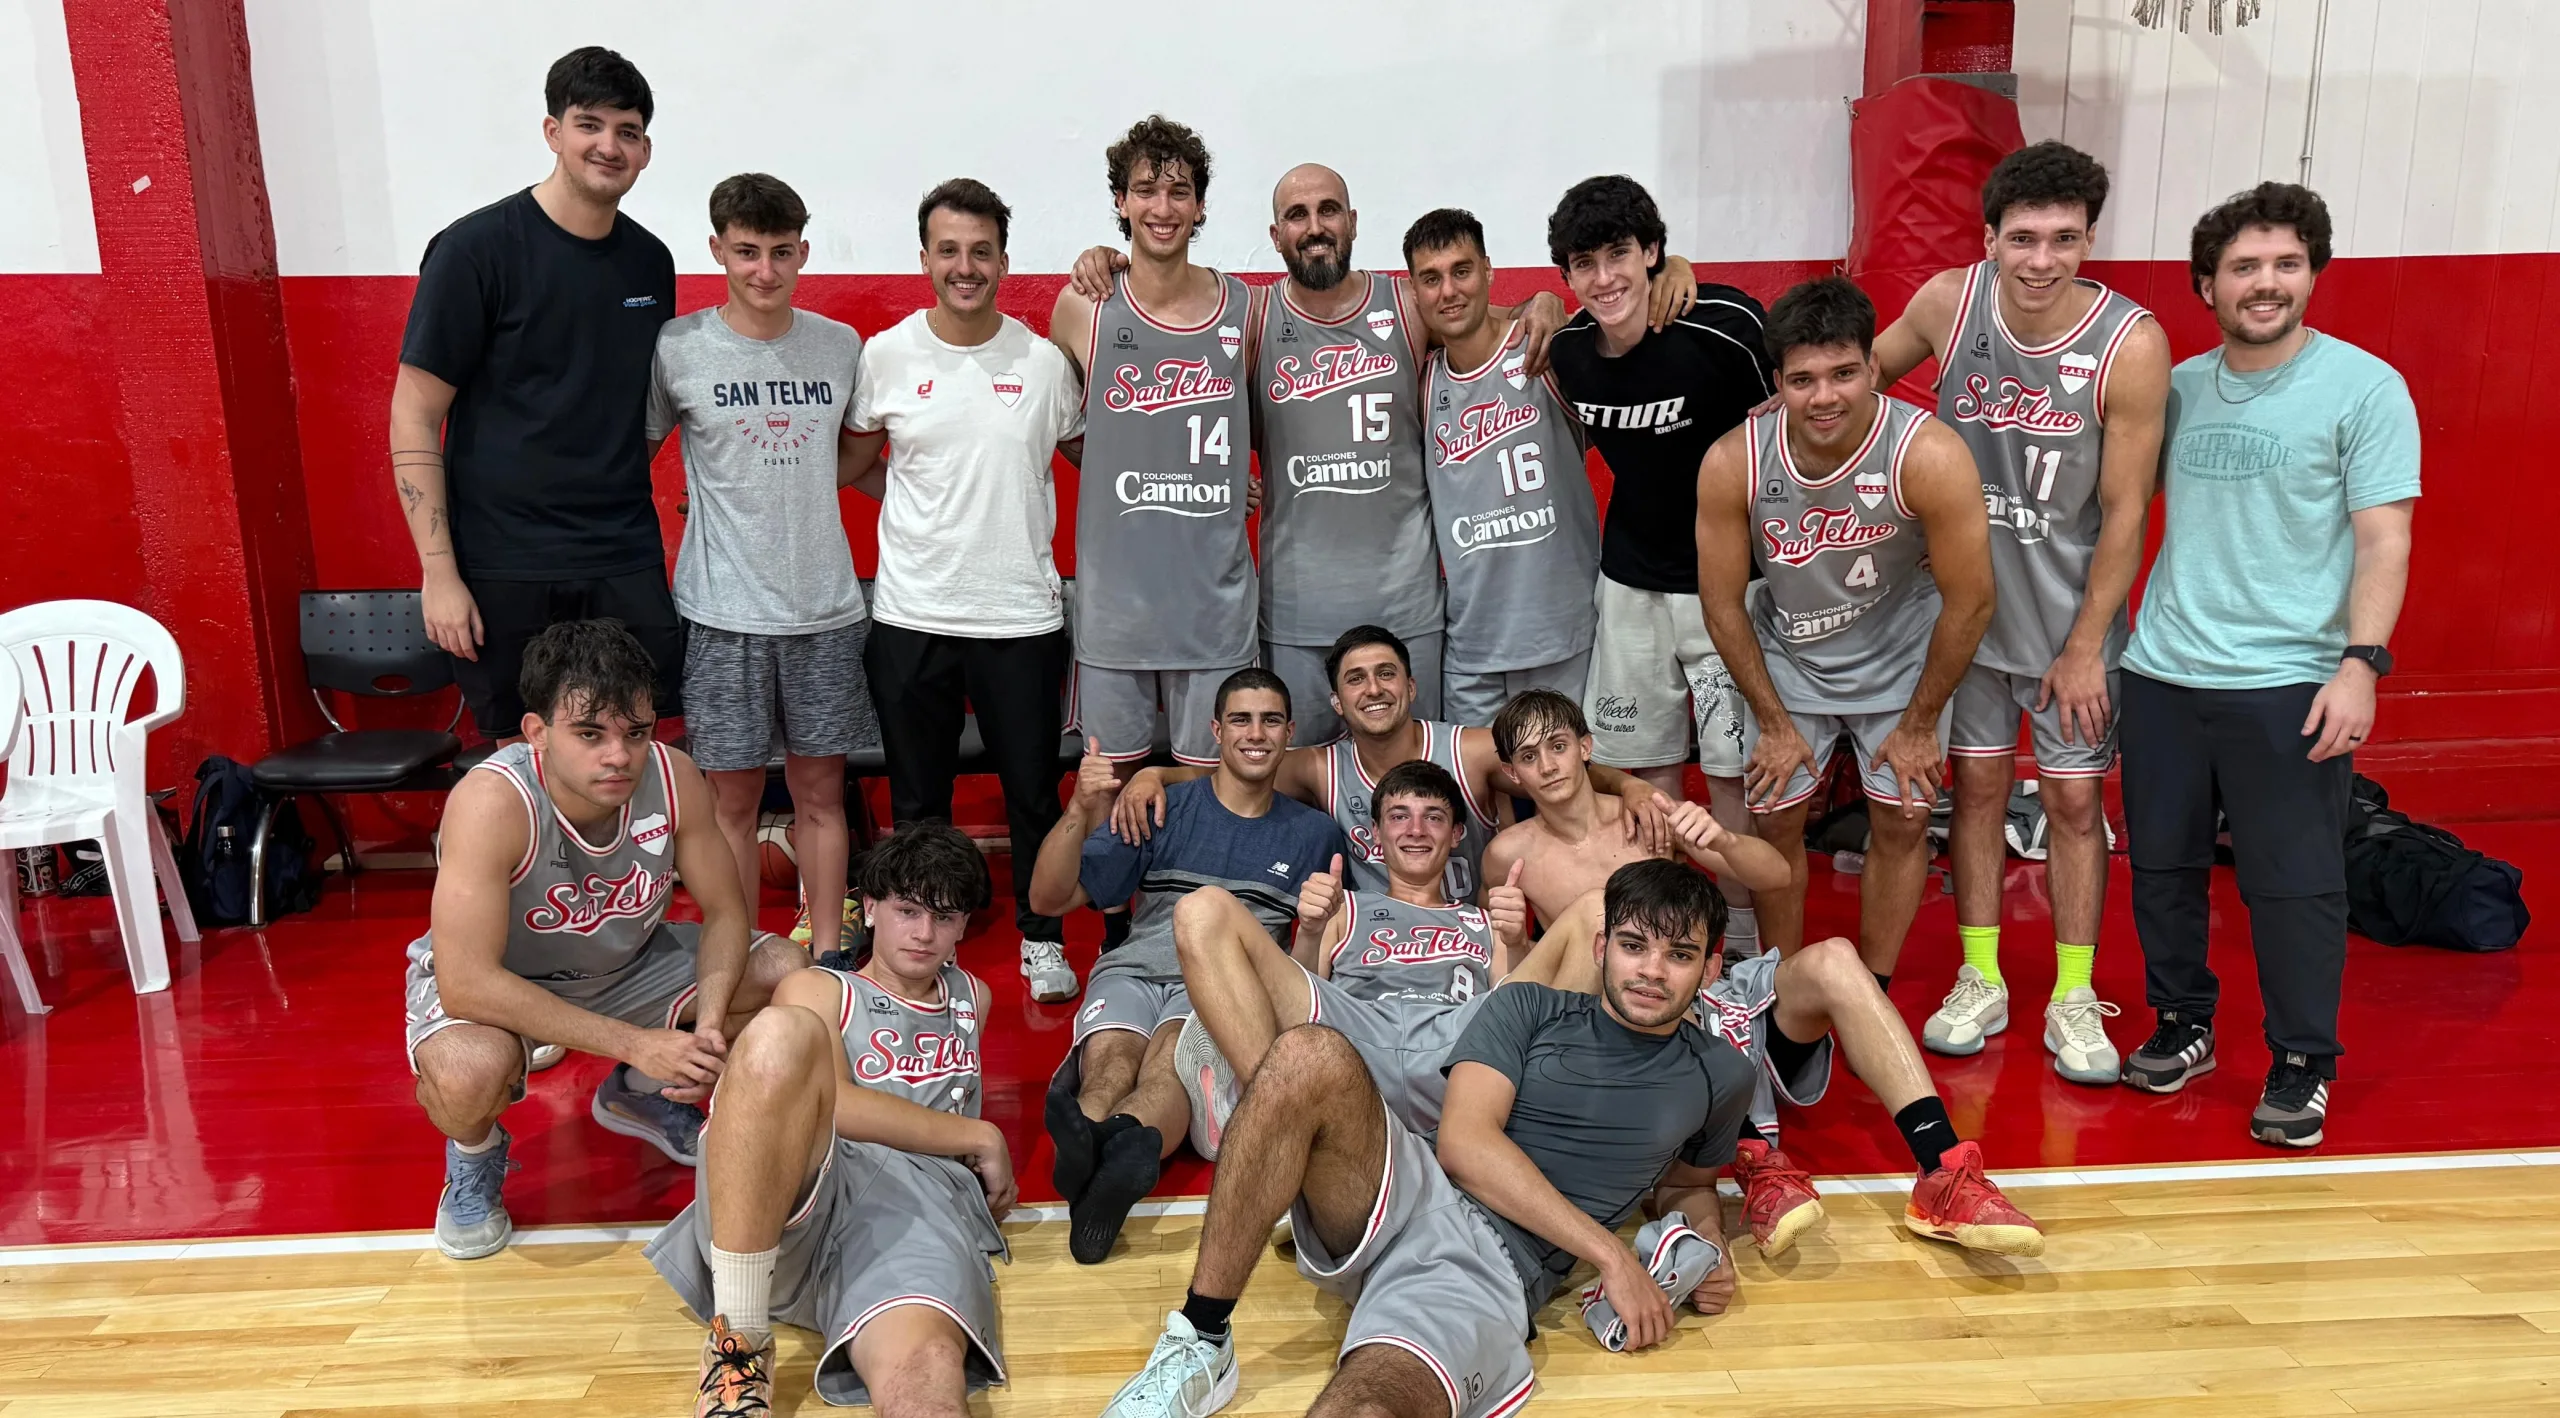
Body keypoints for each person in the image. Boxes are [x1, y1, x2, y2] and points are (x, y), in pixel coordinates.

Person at [1100, 863, 1751, 1418]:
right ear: (1601, 947)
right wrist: (1612, 1256)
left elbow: (1688, 1185)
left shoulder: (1722, 1074)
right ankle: (1203, 1336)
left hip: (1489, 1263)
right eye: (1634, 946)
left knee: (1366, 1409)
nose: (1651, 971)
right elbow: (1464, 1146)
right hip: (1409, 1186)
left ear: (1711, 967)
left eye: (1679, 955)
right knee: (1305, 1053)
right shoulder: (1526, 1008)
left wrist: (1709, 1243)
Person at [1067, 167, 1666, 744]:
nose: (1315, 226)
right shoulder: (1253, 316)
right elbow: (1178, 396)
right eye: (1297, 215)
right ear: (1276, 235)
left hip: (1408, 613)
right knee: (1302, 784)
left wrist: (1545, 299)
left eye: (1328, 210)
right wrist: (1110, 261)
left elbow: (1488, 324)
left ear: (1352, 221)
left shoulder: (1407, 305)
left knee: (1424, 778)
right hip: (1294, 615)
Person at [1480, 689, 2041, 1261]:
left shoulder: (1647, 815)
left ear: (1585, 747)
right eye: (1529, 756)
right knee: (1657, 975)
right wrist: (1518, 940)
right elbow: (1511, 989)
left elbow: (1776, 876)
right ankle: (1757, 1159)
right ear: (1512, 773)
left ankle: (1941, 1170)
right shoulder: (1507, 855)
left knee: (1835, 959)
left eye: (1557, 746)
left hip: (1715, 996)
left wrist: (1720, 839)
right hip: (1630, 1027)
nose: (1548, 765)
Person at [2118, 182, 2419, 1148]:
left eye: (2287, 263)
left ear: (2314, 274)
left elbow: (2384, 539)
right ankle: (2184, 1022)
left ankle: (2301, 1061)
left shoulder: (2366, 387)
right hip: (2164, 672)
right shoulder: (2176, 387)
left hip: (2290, 680)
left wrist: (2360, 665)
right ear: (2206, 284)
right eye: (2244, 266)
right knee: (2162, 868)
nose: (2267, 282)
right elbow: (2113, 510)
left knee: (2295, 885)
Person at [1863, 142, 2171, 1086]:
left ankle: (2074, 991)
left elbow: (2126, 511)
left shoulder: (2130, 343)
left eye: (2065, 239)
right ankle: (1982, 975)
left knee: (2074, 803)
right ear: (1989, 237)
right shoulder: (1947, 304)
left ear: (2090, 240)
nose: (2043, 259)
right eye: (2025, 238)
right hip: (1964, 618)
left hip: (2069, 619)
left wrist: (2086, 645)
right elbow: (1848, 380)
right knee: (1979, 792)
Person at [402, 620, 805, 1261]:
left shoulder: (673, 776)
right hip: (507, 986)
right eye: (590, 734)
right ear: (537, 733)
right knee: (465, 1074)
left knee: (788, 973)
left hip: (630, 966)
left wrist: (706, 1031)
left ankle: (639, 1094)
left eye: (635, 733)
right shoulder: (491, 801)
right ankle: (474, 1153)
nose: (618, 755)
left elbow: (727, 912)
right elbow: (468, 982)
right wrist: (638, 1043)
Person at [647, 823, 1013, 1418]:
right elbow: (837, 1103)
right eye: (907, 911)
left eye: (944, 917)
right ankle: (738, 1342)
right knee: (778, 1033)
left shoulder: (973, 996)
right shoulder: (819, 988)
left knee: (925, 1377)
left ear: (963, 926)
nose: (924, 933)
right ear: (869, 909)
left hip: (911, 1213)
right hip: (795, 1195)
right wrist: (979, 1134)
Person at [1696, 275, 1995, 986]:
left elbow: (1972, 601)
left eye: (1843, 373)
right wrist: (1773, 722)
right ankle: (1782, 987)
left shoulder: (1927, 454)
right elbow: (1722, 604)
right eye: (1802, 380)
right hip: (1791, 659)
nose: (1824, 396)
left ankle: (1873, 986)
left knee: (1903, 820)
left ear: (1873, 366)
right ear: (1777, 383)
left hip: (1902, 662)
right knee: (1777, 821)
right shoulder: (1734, 461)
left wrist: (1919, 724)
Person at [841, 177, 1087, 1001]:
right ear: (925, 259)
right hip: (912, 614)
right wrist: (919, 501)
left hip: (1020, 617)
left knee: (1033, 797)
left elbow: (1100, 455)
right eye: (949, 250)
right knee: (919, 800)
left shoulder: (1042, 364)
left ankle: (1042, 939)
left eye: (981, 251)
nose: (965, 266)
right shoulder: (886, 356)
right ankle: (921, 945)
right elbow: (851, 462)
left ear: (1004, 261)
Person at [390, 47, 683, 740]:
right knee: (525, 754)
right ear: (553, 132)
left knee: (633, 742)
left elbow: (635, 407)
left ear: (645, 151)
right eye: (589, 125)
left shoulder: (650, 262)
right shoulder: (475, 250)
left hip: (621, 553)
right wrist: (439, 573)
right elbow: (414, 413)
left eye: (628, 131)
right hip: (504, 562)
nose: (609, 146)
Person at [1026, 669, 1345, 1264]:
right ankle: (1095, 1148)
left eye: (1271, 721)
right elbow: (1048, 899)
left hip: (1221, 983)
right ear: (1216, 731)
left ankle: (1103, 1150)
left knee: (1170, 1063)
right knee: (1111, 1058)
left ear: (1290, 732)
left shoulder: (1316, 834)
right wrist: (1080, 806)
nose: (1256, 733)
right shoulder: (1160, 806)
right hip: (1133, 968)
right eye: (1242, 720)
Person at [644, 172, 874, 965]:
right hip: (721, 613)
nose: (765, 270)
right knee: (731, 806)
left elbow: (857, 459)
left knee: (821, 797)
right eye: (747, 252)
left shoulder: (840, 345)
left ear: (803, 252)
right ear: (717, 250)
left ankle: (830, 954)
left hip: (825, 610)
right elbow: (632, 459)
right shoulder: (677, 348)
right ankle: (739, 957)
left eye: (781, 252)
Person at [1544, 175, 1775, 951]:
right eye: (1584, 264)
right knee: (1645, 776)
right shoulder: (1569, 352)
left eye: (1620, 254)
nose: (1604, 278)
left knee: (1733, 775)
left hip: (1728, 588)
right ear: (1567, 275)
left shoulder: (1728, 328)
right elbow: (1524, 320)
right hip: (1629, 583)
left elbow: (1798, 412)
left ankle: (1739, 938)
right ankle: (1661, 934)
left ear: (1651, 251)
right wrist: (1540, 305)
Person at [1109, 623, 1674, 906]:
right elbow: (1238, 771)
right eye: (1356, 680)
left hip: (1466, 933)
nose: (1374, 689)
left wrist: (1629, 787)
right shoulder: (1321, 768)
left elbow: (1559, 769)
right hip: (1375, 942)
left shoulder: (1468, 750)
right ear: (1337, 703)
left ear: (1411, 686)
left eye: (1386, 674)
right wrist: (1157, 774)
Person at [1049, 115, 1257, 775]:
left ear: (1200, 206)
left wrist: (1237, 477)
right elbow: (1066, 430)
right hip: (1117, 612)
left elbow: (1275, 419)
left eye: (1178, 192)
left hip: (1215, 610)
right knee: (1109, 796)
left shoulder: (1244, 308)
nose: (1162, 208)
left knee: (1213, 794)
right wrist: (1135, 466)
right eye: (1145, 190)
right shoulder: (1082, 308)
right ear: (1121, 201)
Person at [1407, 209, 1606, 721]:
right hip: (1471, 647)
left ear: (1488, 270)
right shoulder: (1422, 382)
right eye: (1431, 278)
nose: (1449, 291)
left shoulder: (1546, 350)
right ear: (1414, 292)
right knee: (1473, 775)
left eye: (1462, 271)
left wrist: (1672, 268)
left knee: (1567, 770)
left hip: (1563, 636)